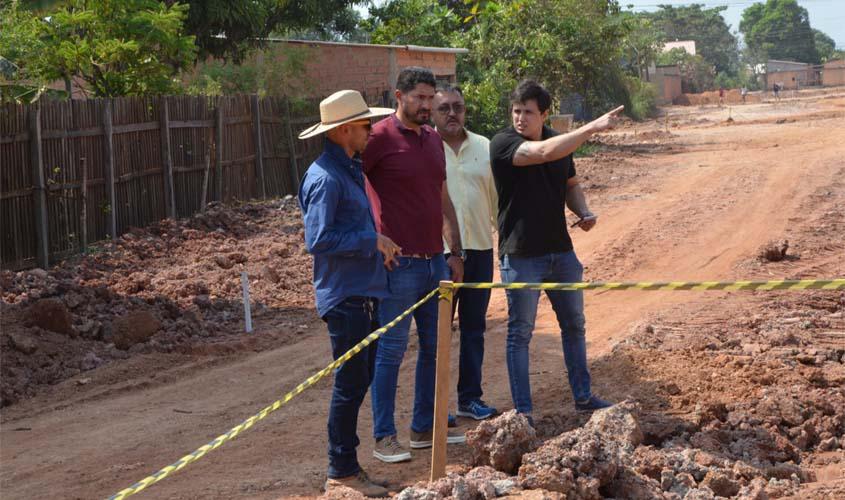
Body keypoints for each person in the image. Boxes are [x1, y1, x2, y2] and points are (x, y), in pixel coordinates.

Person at [489, 80, 623, 424]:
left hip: (561, 252)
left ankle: (583, 397)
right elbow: (544, 153)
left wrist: (584, 212)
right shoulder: (504, 143)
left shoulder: (559, 144)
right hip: (521, 255)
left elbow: (571, 185)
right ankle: (523, 413)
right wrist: (592, 127)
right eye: (516, 111)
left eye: (528, 112)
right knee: (520, 333)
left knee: (574, 326)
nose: (520, 118)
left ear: (543, 114)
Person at [298, 90, 401, 496]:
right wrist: (370, 240)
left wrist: (377, 243)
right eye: (364, 125)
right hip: (345, 297)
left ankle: (346, 467)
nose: (371, 130)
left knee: (357, 382)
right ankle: (341, 469)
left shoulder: (348, 169)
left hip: (360, 292)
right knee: (350, 383)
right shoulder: (325, 177)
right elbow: (319, 238)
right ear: (343, 131)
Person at [363, 67, 466, 463]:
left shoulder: (433, 141)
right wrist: (372, 235)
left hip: (434, 264)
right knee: (390, 351)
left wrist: (454, 252)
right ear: (399, 96)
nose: (427, 105)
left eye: (430, 98)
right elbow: (355, 187)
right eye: (419, 98)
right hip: (398, 266)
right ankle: (383, 437)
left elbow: (441, 198)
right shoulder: (377, 138)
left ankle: (424, 428)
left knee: (434, 349)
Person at [431, 84, 498, 421]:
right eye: (444, 108)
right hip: (440, 255)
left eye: (458, 107)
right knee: (438, 333)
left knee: (474, 329)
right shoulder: (425, 148)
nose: (452, 113)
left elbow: (497, 201)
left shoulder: (485, 147)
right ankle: (435, 408)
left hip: (481, 251)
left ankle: (469, 398)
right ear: (432, 112)